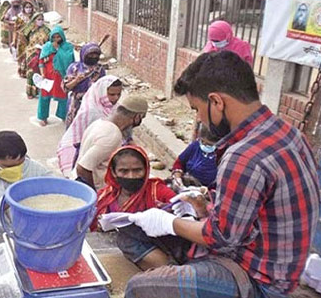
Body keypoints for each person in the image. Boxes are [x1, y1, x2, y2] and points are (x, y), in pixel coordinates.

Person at [124, 50, 320, 298]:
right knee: (131, 230)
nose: (198, 119)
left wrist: (168, 222)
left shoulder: (243, 156)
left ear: (217, 102)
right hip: (276, 261)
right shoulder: (288, 132)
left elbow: (221, 238)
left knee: (138, 288)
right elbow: (254, 211)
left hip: (261, 281)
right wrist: (204, 206)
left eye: (197, 109)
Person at [90, 145, 191, 270]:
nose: (131, 176)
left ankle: (172, 272)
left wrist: (169, 213)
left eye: (137, 170)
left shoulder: (158, 191)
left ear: (146, 169)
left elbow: (183, 215)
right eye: (124, 171)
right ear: (113, 172)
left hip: (159, 250)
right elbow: (92, 227)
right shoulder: (105, 197)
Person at [76, 95, 148, 190]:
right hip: (93, 188)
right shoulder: (112, 135)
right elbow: (82, 168)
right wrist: (95, 196)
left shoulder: (100, 123)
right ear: (137, 117)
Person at [57, 76, 123, 177]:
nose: (116, 98)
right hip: (85, 153)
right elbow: (79, 140)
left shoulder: (115, 108)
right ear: (102, 92)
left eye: (118, 94)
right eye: (112, 94)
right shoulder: (90, 111)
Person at [37, 26, 75, 126]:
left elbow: (71, 62)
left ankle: (63, 115)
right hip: (48, 77)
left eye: (58, 37)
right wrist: (42, 73)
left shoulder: (67, 47)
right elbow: (41, 61)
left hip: (61, 77)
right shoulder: (47, 47)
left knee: (63, 97)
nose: (56, 39)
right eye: (54, 37)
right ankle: (43, 117)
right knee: (44, 97)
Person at [63, 43, 106, 127]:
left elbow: (103, 88)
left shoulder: (100, 70)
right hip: (76, 103)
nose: (93, 57)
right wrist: (76, 80)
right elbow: (66, 87)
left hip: (93, 103)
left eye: (96, 54)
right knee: (75, 127)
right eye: (90, 54)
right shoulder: (74, 68)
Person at [170, 125, 219, 189]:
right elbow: (179, 163)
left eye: (209, 144)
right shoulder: (195, 146)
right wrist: (177, 176)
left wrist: (205, 191)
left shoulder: (221, 155)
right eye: (202, 141)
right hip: (186, 184)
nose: (204, 144)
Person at [21, 13, 51, 98]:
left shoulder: (46, 30)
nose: (40, 21)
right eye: (38, 19)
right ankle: (30, 92)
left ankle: (38, 91)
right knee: (31, 72)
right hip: (31, 53)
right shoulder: (30, 29)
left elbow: (50, 40)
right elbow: (22, 35)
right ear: (34, 20)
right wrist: (28, 47)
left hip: (42, 53)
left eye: (42, 19)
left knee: (40, 72)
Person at [13, 1, 35, 78]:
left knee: (30, 56)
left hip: (31, 40)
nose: (28, 9)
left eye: (30, 7)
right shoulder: (20, 17)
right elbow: (15, 30)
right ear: (23, 8)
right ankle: (21, 71)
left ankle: (29, 72)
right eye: (27, 7)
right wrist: (14, 40)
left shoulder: (34, 17)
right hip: (21, 39)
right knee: (21, 56)